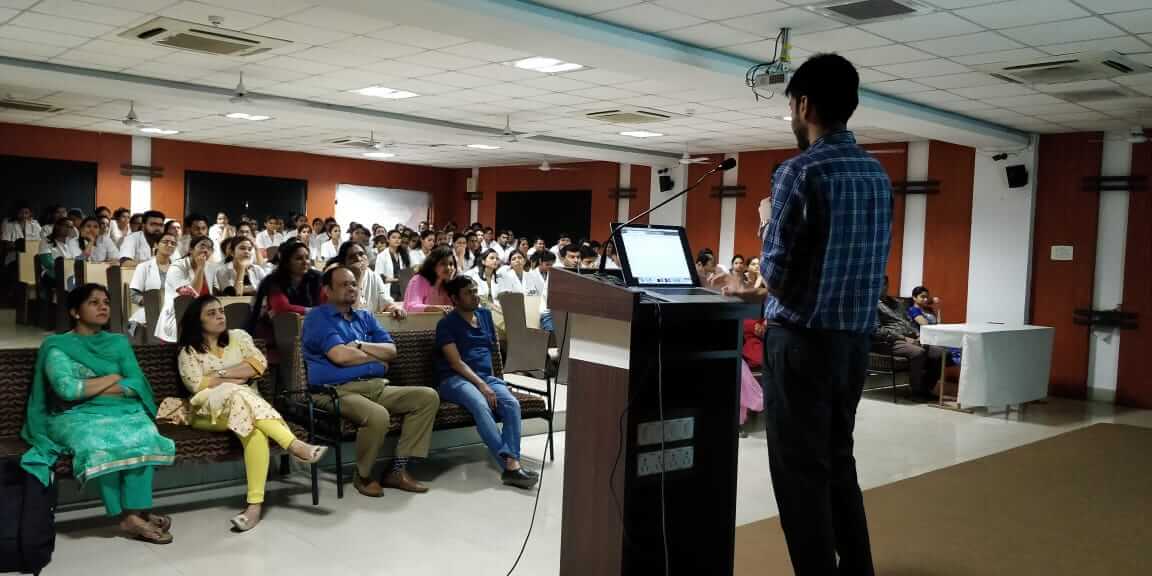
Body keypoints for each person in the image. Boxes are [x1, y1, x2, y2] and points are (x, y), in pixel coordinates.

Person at [759, 53, 891, 575]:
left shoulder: (800, 171)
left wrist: (766, 221)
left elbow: (777, 274)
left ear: (804, 105)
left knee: (799, 476)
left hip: (801, 343)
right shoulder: (877, 174)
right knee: (838, 463)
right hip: (853, 345)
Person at [21, 284, 175, 544]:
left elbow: (136, 383)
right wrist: (114, 378)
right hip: (73, 415)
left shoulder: (118, 343)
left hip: (122, 410)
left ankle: (134, 513)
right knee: (99, 440)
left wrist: (93, 388)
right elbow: (67, 390)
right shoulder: (57, 346)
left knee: (145, 433)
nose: (103, 307)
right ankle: (125, 516)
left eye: (106, 302)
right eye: (94, 302)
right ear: (75, 312)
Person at [176, 295, 327, 531]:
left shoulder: (239, 337)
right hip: (206, 412)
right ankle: (295, 445)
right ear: (198, 321)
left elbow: (258, 365)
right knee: (236, 391)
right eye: (211, 313)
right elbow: (197, 385)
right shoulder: (188, 352)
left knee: (254, 431)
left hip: (243, 409)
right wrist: (236, 377)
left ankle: (254, 507)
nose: (220, 316)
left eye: (220, 311)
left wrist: (219, 375)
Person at [302, 266, 439, 497]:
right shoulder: (318, 317)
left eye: (353, 284)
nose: (351, 288)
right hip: (334, 391)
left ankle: (397, 470)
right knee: (377, 415)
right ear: (327, 290)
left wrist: (358, 345)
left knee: (427, 397)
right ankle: (363, 476)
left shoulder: (365, 317)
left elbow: (392, 351)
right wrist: (376, 358)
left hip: (374, 386)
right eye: (344, 284)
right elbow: (340, 356)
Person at [436, 276, 538, 488]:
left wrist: (492, 383)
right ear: (455, 298)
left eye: (475, 291)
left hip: (485, 377)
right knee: (480, 404)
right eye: (468, 293)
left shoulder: (485, 315)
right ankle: (511, 466)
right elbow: (456, 363)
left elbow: (488, 352)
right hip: (454, 379)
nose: (475, 296)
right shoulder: (446, 324)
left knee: (511, 403)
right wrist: (482, 386)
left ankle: (512, 465)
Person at [876, 277, 942, 399]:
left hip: (911, 337)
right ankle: (916, 392)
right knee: (918, 352)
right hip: (890, 341)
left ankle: (926, 389)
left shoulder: (895, 302)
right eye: (879, 284)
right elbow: (878, 330)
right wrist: (904, 338)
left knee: (939, 353)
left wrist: (917, 334)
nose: (883, 287)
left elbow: (909, 320)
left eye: (885, 284)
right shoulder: (872, 305)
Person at [248, 240, 322, 343]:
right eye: (299, 258)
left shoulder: (316, 277)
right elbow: (281, 307)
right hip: (276, 332)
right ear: (287, 262)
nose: (305, 262)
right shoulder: (274, 280)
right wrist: (311, 311)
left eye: (307, 257)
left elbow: (325, 305)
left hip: (308, 328)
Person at [155, 236, 215, 343]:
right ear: (191, 249)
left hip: (202, 319)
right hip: (179, 318)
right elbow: (190, 296)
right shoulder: (177, 267)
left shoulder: (210, 268)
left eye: (209, 248)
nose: (206, 250)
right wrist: (200, 268)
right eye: (202, 246)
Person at [329, 241, 405, 316]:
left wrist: (394, 308)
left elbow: (386, 304)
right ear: (344, 263)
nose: (358, 259)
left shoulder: (374, 276)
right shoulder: (338, 280)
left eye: (361, 254)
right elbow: (351, 312)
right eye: (352, 257)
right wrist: (359, 277)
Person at [127, 231, 177, 336]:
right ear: (156, 245)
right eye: (165, 242)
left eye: (173, 243)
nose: (169, 245)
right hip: (148, 313)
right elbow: (133, 295)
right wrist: (153, 303)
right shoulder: (143, 267)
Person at [403, 246, 456, 313]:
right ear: (433, 265)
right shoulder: (418, 280)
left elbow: (452, 308)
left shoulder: (446, 285)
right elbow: (411, 307)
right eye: (443, 263)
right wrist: (436, 308)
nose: (448, 268)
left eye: (451, 264)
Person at [525, 250, 556, 331]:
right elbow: (530, 295)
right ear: (540, 261)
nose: (550, 267)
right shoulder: (530, 275)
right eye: (547, 264)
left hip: (551, 309)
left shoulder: (553, 274)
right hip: (536, 308)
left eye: (552, 265)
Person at [374, 229, 410, 296]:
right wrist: (396, 280)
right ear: (388, 240)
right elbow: (378, 276)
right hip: (388, 289)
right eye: (394, 237)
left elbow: (406, 273)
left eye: (399, 238)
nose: (397, 240)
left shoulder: (403, 254)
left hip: (402, 289)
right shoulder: (382, 255)